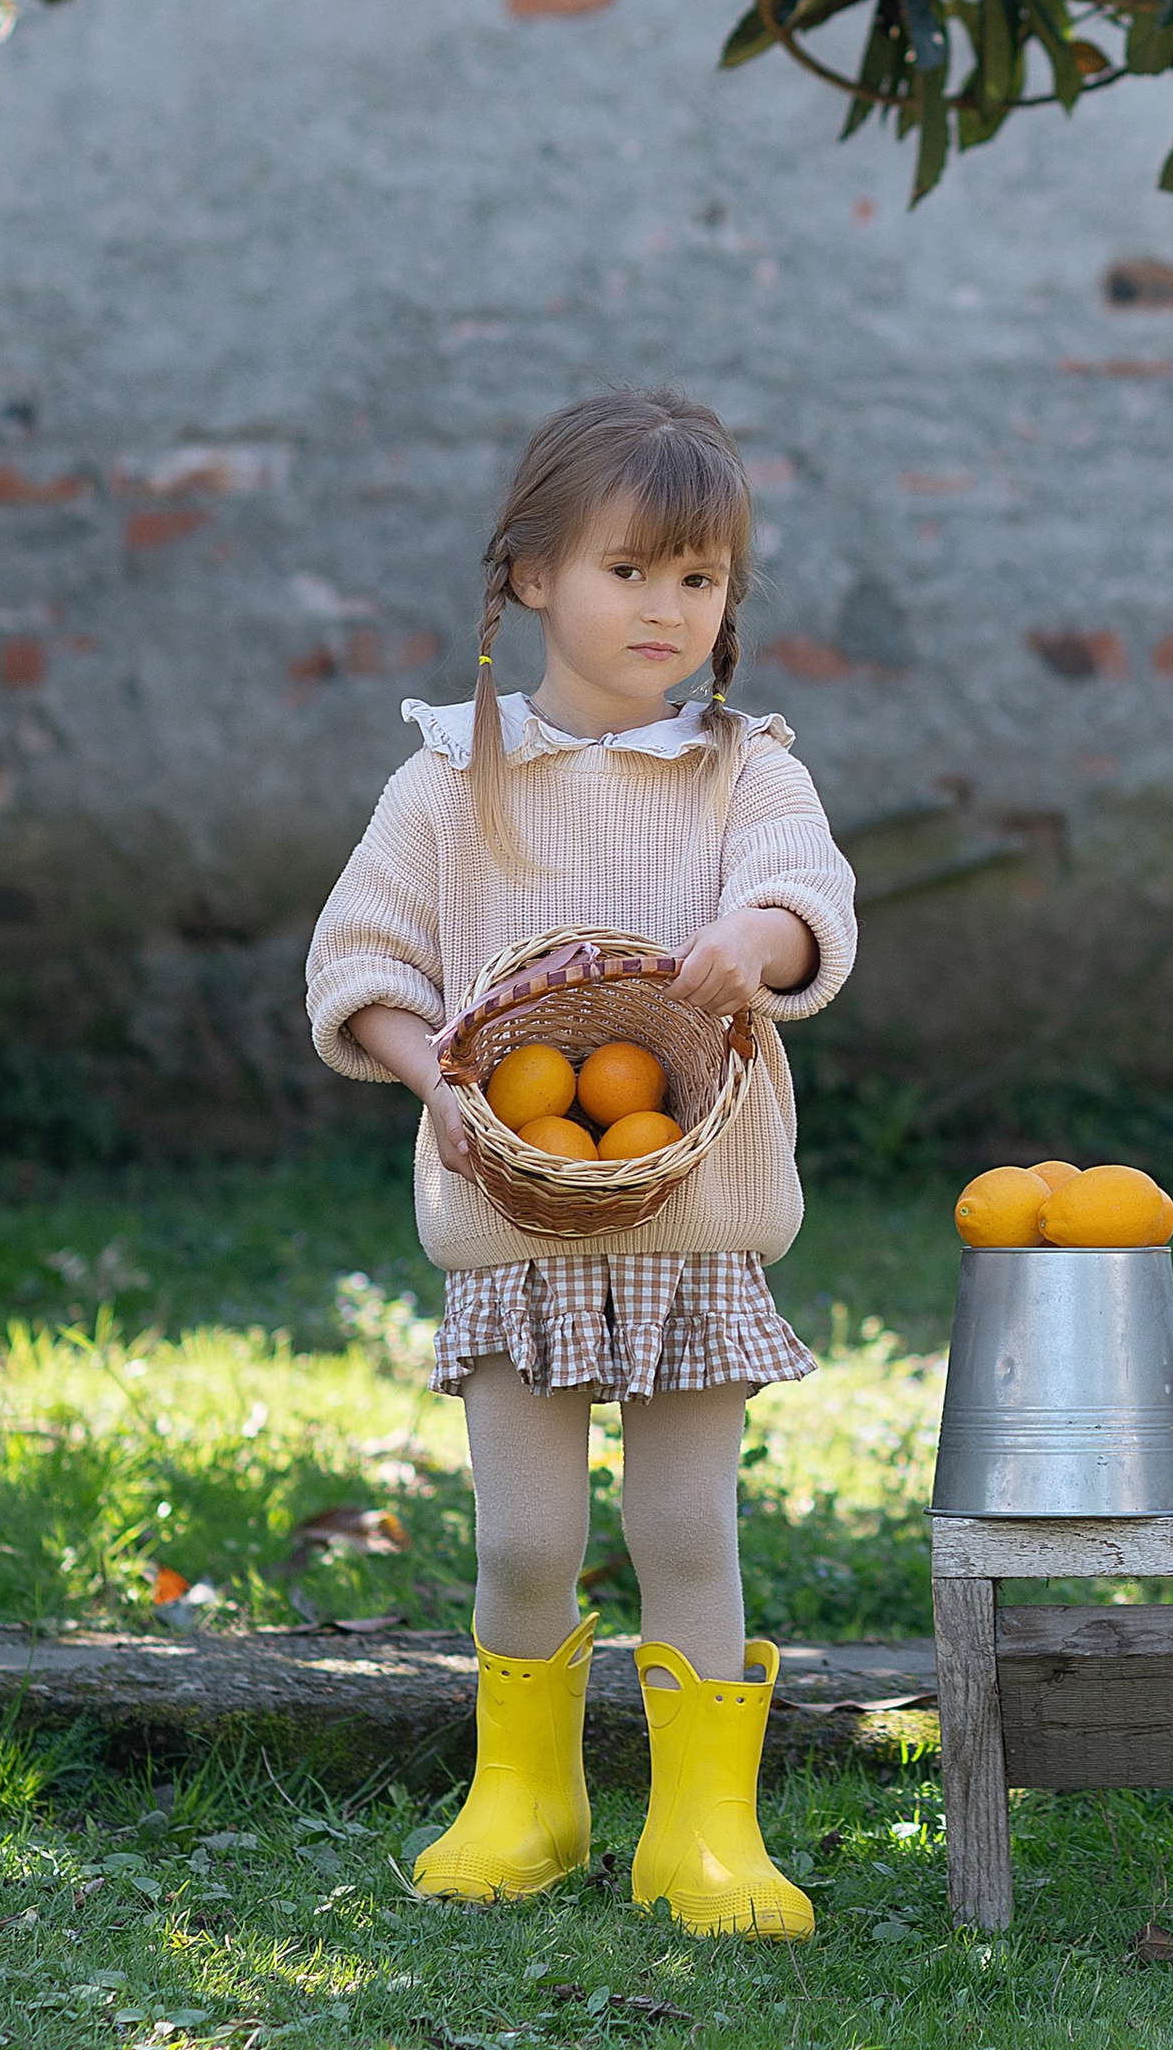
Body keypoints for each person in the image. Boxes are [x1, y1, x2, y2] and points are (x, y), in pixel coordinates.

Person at [305, 387, 855, 1935]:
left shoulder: (747, 771)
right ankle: (525, 1796)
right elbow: (362, 961)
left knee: (686, 1525)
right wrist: (445, 1083)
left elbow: (809, 893)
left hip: (693, 1221)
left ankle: (703, 1830)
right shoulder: (447, 781)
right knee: (527, 1533)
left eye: (701, 580)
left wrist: (760, 937)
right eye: (632, 573)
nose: (669, 609)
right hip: (516, 1218)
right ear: (534, 578)